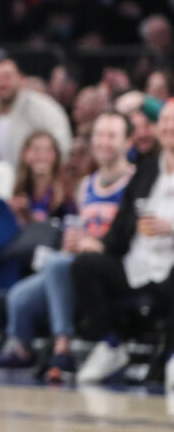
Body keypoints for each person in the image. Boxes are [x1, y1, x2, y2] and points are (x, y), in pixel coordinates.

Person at [0, 112, 133, 382]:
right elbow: (75, 226)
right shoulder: (85, 186)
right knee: (20, 295)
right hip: (76, 263)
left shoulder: (134, 182)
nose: (104, 142)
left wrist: (94, 244)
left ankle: (62, 348)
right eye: (100, 135)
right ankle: (22, 348)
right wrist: (71, 239)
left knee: (55, 265)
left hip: (113, 264)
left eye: (112, 136)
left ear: (127, 141)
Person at [73, 99, 174, 391]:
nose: (168, 126)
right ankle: (111, 343)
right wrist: (99, 245)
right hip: (137, 263)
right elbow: (121, 226)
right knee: (85, 265)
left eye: (173, 121)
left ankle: (171, 356)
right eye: (164, 120)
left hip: (170, 267)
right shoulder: (145, 170)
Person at [0, 57, 73, 167]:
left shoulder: (44, 109)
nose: (1, 83)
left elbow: (62, 146)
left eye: (7, 76)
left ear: (21, 79)